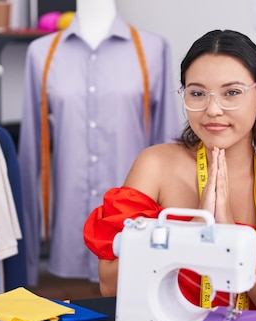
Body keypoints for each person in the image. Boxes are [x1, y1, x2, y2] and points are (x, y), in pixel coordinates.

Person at [84, 29, 256, 321]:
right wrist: (190, 236)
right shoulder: (155, 166)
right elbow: (109, 285)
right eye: (198, 93)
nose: (212, 110)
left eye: (232, 93)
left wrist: (229, 238)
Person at [18, 0, 179, 287]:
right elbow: (30, 157)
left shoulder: (154, 49)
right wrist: (26, 269)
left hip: (134, 234)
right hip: (65, 247)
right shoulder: (41, 53)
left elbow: (167, 146)